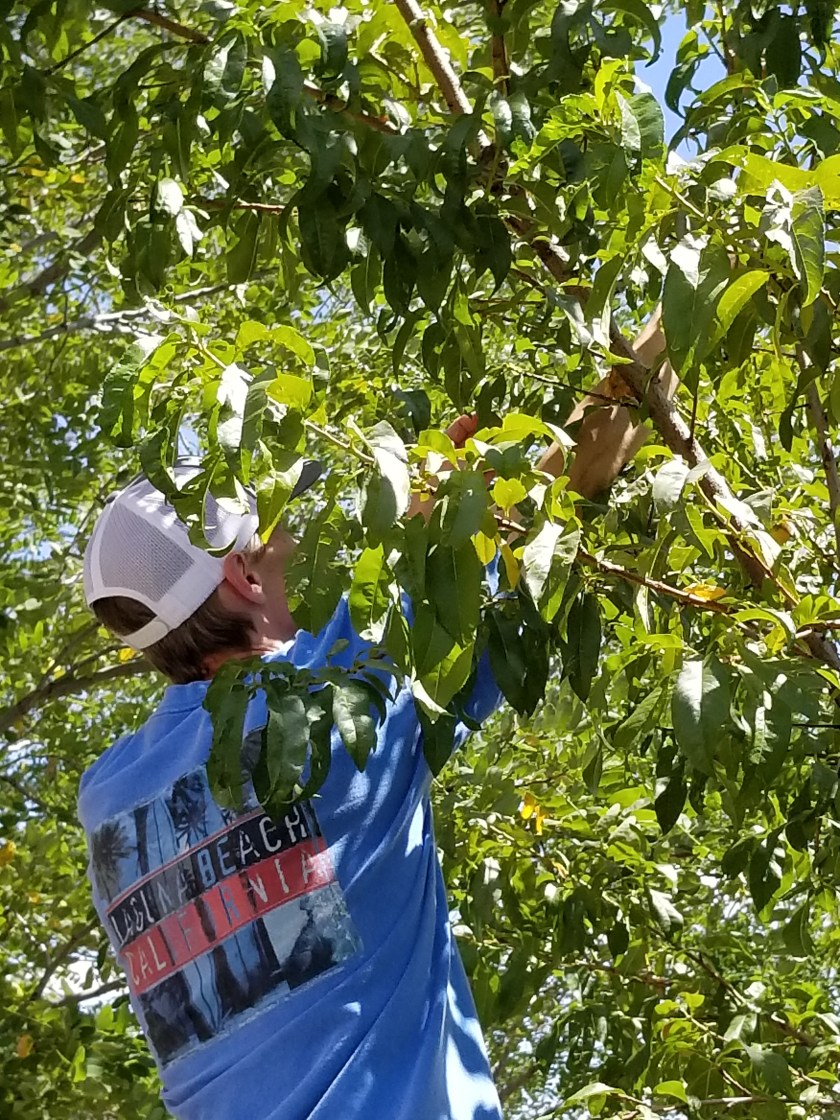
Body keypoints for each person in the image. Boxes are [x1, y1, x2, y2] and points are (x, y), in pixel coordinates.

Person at [77, 319, 671, 1120]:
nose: (297, 535)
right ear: (244, 574)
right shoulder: (335, 693)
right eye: (276, 525)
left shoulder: (109, 797)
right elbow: (558, 492)